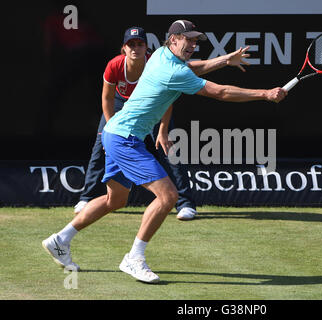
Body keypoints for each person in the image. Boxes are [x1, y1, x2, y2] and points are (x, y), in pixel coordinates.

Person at [42, 19, 287, 283]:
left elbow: (193, 67)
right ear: (173, 40)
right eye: (188, 39)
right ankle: (134, 258)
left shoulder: (158, 56)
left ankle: (60, 240)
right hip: (126, 139)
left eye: (195, 40)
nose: (193, 45)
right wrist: (265, 94)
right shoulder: (172, 70)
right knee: (168, 196)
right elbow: (221, 92)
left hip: (114, 133)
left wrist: (224, 60)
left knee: (116, 200)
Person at [74, 26, 198, 221]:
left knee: (169, 149)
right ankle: (86, 197)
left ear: (146, 48)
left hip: (150, 107)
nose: (135, 48)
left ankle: (186, 203)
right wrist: (110, 127)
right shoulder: (114, 65)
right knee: (100, 147)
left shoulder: (156, 64)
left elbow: (166, 100)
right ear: (123, 48)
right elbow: (107, 98)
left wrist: (163, 130)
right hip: (120, 106)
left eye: (140, 44)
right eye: (131, 44)